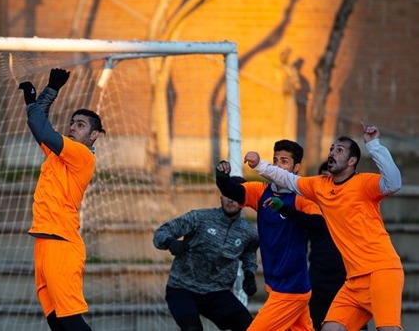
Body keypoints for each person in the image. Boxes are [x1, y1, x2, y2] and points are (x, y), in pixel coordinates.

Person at [244, 123, 403, 331]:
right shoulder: (320, 185)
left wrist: (374, 145)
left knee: (387, 329)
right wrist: (259, 165)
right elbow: (288, 179)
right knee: (330, 328)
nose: (332, 153)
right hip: (354, 279)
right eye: (331, 149)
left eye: (339, 150)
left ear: (352, 160)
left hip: (381, 270)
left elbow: (394, 183)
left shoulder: (365, 184)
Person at [18, 69, 105, 331]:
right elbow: (38, 126)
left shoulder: (82, 155)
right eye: (72, 122)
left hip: (62, 244)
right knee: (56, 321)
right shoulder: (60, 153)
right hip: (45, 242)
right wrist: (50, 90)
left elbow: (44, 132)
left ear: (94, 135)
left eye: (81, 125)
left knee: (69, 319)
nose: (72, 127)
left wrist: (35, 101)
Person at [216, 139, 321, 331]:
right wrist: (222, 178)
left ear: (296, 167)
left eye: (284, 161)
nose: (278, 165)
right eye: (275, 160)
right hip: (277, 285)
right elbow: (234, 191)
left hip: (290, 289)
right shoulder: (261, 191)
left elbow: (317, 224)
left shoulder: (302, 199)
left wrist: (286, 210)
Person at [267, 162, 367, 331]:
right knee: (317, 324)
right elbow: (302, 223)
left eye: (331, 180)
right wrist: (284, 208)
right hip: (318, 280)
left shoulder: (355, 208)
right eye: (323, 180)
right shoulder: (312, 210)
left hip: (349, 278)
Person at [152, 178, 259, 331]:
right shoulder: (199, 218)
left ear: (246, 200)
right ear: (221, 196)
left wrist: (250, 274)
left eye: (236, 195)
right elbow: (161, 232)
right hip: (182, 288)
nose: (231, 199)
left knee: (249, 326)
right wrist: (170, 242)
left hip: (217, 292)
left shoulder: (249, 232)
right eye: (228, 194)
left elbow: (249, 253)